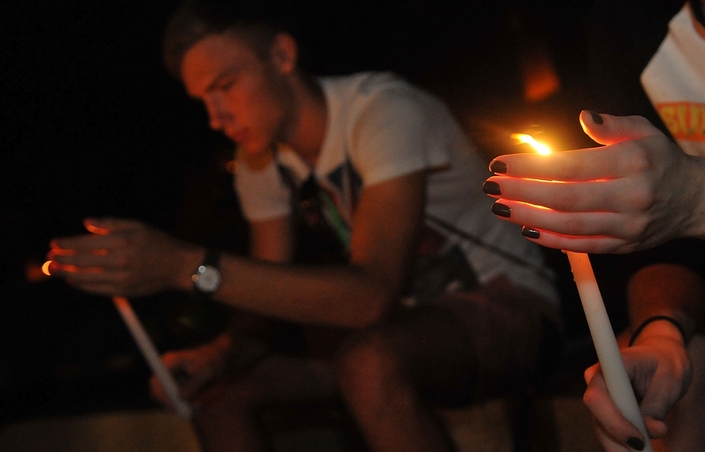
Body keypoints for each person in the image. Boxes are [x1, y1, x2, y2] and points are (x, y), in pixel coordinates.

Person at [46, 1, 562, 451]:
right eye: (203, 100)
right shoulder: (260, 162)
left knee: (369, 361)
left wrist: (182, 266)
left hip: (509, 303)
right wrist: (219, 354)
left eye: (226, 86)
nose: (215, 117)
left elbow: (369, 296)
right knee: (216, 395)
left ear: (283, 55)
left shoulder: (382, 109)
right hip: (399, 325)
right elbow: (266, 294)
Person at [484, 0, 705, 450]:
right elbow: (671, 234)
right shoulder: (626, 22)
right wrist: (661, 330)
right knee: (648, 399)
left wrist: (701, 196)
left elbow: (685, 201)